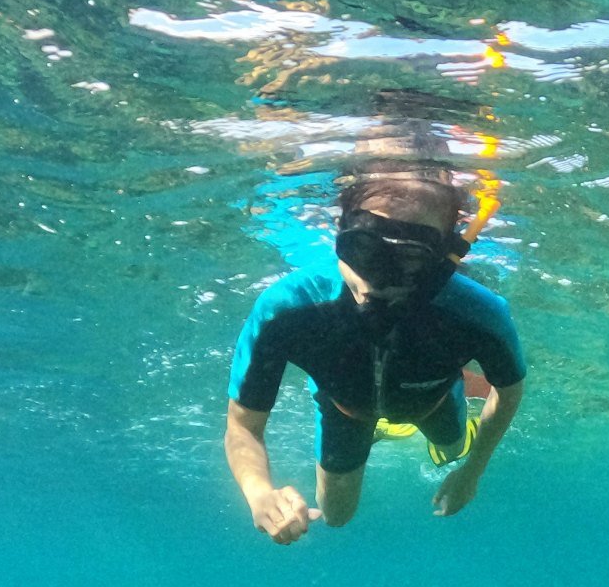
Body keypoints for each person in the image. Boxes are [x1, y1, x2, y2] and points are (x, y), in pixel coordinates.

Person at [224, 167, 526, 544]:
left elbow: (510, 391)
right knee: (335, 516)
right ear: (339, 233)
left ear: (445, 256)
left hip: (432, 403)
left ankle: (455, 390)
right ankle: (392, 417)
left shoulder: (478, 313)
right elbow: (242, 425)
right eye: (364, 249)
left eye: (410, 260)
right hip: (346, 408)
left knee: (452, 454)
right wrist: (259, 493)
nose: (377, 280)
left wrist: (472, 472)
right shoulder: (286, 307)